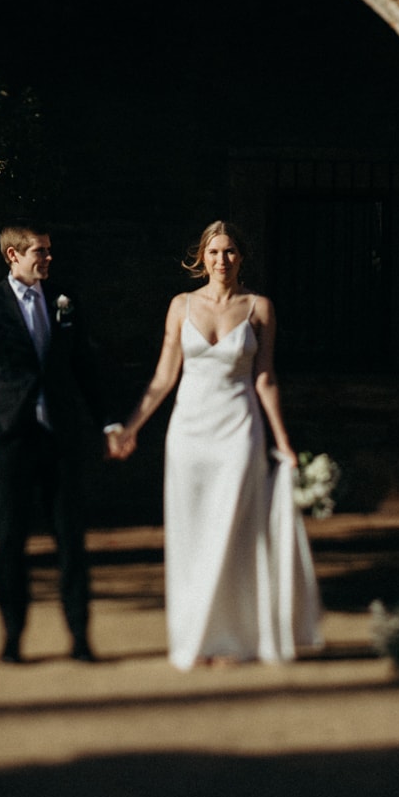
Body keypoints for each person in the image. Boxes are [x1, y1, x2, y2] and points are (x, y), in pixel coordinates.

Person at [109, 220, 322, 669]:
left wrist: (283, 443)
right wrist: (131, 427)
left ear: (241, 257)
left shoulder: (259, 307)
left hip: (239, 428)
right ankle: (197, 638)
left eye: (229, 252)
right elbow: (165, 376)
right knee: (192, 534)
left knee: (235, 530)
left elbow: (265, 377)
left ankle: (233, 639)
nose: (221, 260)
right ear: (200, 258)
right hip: (188, 432)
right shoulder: (180, 306)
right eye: (213, 252)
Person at [0, 223, 108, 664]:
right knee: (11, 540)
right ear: (13, 255)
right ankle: (12, 637)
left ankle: (80, 637)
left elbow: (84, 365)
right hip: (13, 437)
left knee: (71, 539)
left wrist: (107, 422)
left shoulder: (65, 301)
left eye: (48, 251)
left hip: (61, 436)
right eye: (39, 253)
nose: (47, 259)